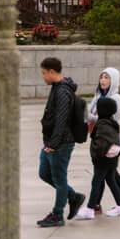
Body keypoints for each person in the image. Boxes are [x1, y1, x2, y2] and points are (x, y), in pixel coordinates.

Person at [36, 57, 84, 227]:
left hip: (61, 143)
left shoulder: (63, 91)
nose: (43, 77)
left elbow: (61, 120)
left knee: (59, 178)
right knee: (44, 173)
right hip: (52, 141)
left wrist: (53, 144)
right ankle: (74, 196)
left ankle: (57, 214)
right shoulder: (57, 87)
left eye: (44, 73)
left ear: (51, 71)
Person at [81, 96, 120, 216]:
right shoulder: (112, 123)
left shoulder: (102, 124)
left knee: (96, 182)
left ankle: (89, 209)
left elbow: (100, 144)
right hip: (113, 157)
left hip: (103, 159)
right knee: (111, 180)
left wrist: (96, 155)